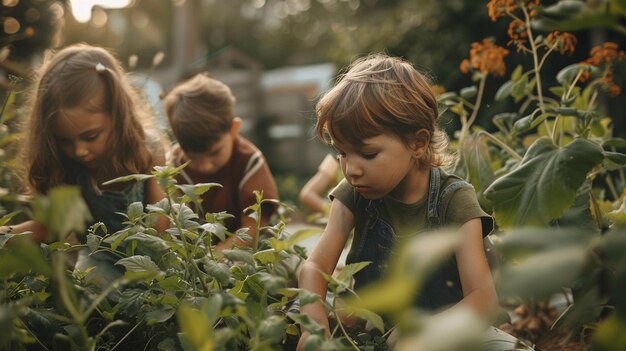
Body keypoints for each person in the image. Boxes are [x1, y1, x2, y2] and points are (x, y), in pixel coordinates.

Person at [296, 54, 507, 350]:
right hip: (377, 329)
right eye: (342, 153)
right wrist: (314, 328)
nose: (351, 169)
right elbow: (314, 265)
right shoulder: (352, 195)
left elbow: (483, 301)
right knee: (297, 313)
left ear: (418, 143)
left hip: (450, 330)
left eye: (367, 154)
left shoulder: (454, 200)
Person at [0, 44, 169, 290]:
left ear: (117, 116)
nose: (79, 150)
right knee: (87, 291)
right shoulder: (68, 166)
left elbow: (161, 226)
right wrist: (6, 234)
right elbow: (51, 227)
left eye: (90, 136)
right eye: (64, 140)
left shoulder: (148, 151)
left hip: (152, 262)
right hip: (99, 264)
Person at [163, 73, 279, 250]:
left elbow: (254, 227)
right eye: (192, 156)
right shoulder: (173, 165)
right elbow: (170, 226)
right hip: (193, 254)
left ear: (234, 129)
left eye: (214, 153)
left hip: (243, 252)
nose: (205, 165)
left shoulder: (249, 162)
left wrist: (219, 257)